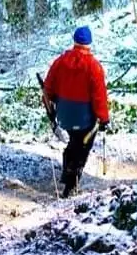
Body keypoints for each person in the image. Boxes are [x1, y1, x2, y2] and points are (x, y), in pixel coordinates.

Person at [42, 26, 109, 198]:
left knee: (74, 140)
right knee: (82, 147)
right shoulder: (94, 67)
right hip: (84, 117)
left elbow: (48, 88)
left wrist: (51, 109)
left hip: (64, 115)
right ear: (89, 44)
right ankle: (71, 183)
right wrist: (103, 119)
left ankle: (67, 172)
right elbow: (99, 96)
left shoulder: (60, 61)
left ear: (74, 41)